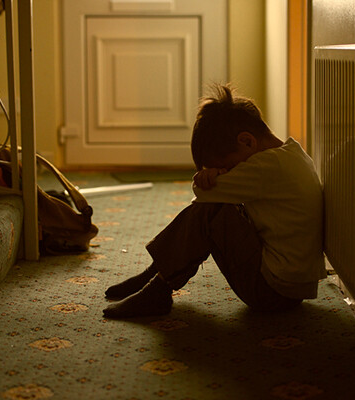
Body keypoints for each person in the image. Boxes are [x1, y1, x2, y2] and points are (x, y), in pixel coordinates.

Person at [103, 84, 325, 318]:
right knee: (220, 208)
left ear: (247, 142)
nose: (226, 172)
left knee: (212, 211)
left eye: (227, 167)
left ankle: (158, 287)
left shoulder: (265, 167)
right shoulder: (291, 154)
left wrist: (208, 179)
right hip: (291, 288)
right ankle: (156, 275)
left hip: (272, 292)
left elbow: (204, 195)